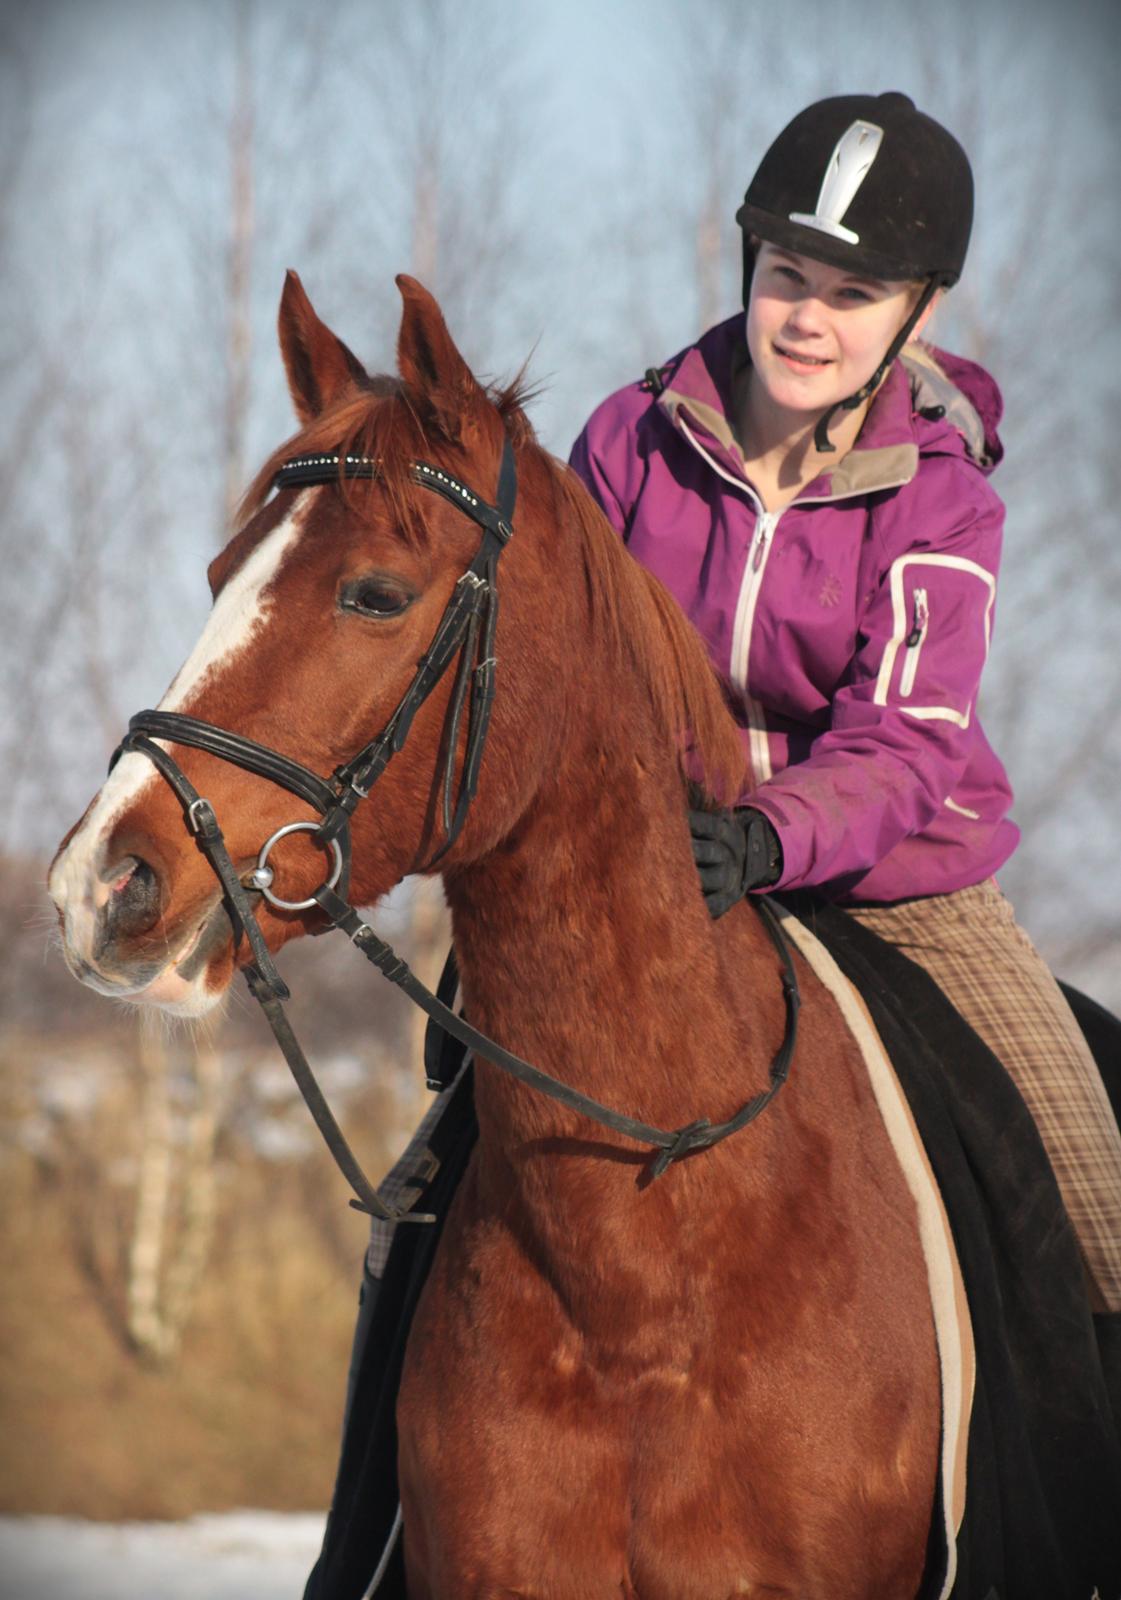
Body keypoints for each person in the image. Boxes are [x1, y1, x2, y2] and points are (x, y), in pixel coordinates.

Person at [568, 91, 1121, 1314]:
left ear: (915, 309)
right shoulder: (624, 439)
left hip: (904, 891)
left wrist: (765, 833)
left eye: (850, 295)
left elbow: (906, 740)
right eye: (786, 275)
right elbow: (571, 672)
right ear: (748, 262)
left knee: (1097, 1204)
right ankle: (379, 1509)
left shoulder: (942, 495)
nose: (805, 320)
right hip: (663, 869)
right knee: (427, 1180)